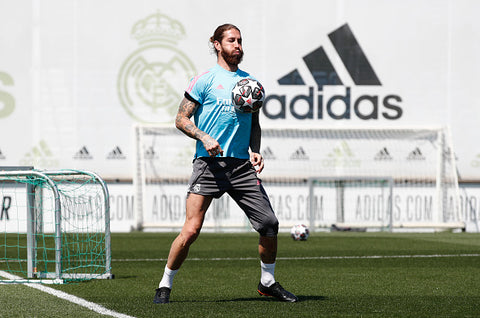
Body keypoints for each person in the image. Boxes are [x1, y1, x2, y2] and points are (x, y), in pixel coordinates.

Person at [153, 23, 298, 304]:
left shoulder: (250, 84)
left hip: (242, 167)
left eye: (240, 41)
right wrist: (204, 136)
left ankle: (267, 282)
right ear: (217, 44)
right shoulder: (204, 80)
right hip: (209, 164)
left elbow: (254, 123)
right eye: (231, 40)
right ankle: (165, 283)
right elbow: (180, 119)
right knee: (192, 229)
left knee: (269, 223)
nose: (238, 46)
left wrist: (255, 149)